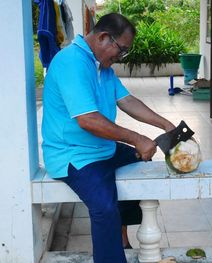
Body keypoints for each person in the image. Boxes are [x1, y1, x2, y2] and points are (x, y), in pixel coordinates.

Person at [41, 13, 175, 263]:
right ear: (104, 37)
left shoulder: (102, 66)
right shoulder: (72, 62)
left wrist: (165, 124)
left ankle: (122, 237)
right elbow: (88, 119)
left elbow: (127, 101)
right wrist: (137, 137)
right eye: (121, 50)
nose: (120, 57)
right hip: (73, 156)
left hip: (102, 149)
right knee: (104, 209)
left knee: (140, 160)